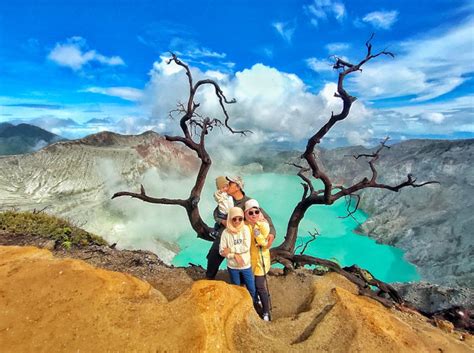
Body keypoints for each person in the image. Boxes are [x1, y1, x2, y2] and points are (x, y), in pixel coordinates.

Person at [206, 175, 276, 279]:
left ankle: (242, 284)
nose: (227, 186)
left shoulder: (249, 202)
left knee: (243, 262)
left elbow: (265, 217)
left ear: (238, 187)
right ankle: (209, 279)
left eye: (230, 184)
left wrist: (272, 233)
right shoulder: (226, 200)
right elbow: (216, 214)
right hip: (224, 235)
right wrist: (223, 221)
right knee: (213, 256)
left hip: (242, 238)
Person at [219, 207, 256, 300]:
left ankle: (254, 304)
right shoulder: (225, 233)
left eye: (240, 218)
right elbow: (222, 251)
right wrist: (235, 255)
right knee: (236, 288)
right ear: (230, 218)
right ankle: (240, 304)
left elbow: (246, 247)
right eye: (234, 219)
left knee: (251, 288)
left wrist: (230, 249)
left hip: (245, 265)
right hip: (233, 267)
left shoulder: (245, 229)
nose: (237, 221)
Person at [245, 199, 272, 321]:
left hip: (261, 261)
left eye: (256, 211)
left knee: (260, 286)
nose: (254, 215)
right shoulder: (244, 226)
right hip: (249, 261)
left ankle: (266, 311)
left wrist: (257, 234)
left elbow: (264, 244)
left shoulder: (263, 225)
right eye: (250, 213)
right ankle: (256, 301)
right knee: (251, 284)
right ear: (246, 214)